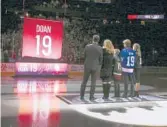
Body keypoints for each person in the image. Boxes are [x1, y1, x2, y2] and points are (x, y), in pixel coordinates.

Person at [80, 35, 103, 100]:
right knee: (93, 82)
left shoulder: (87, 46)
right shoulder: (100, 48)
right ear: (98, 40)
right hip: (95, 66)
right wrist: (98, 64)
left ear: (93, 39)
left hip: (87, 65)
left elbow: (84, 56)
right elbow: (101, 59)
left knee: (84, 81)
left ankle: (82, 96)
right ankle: (91, 96)